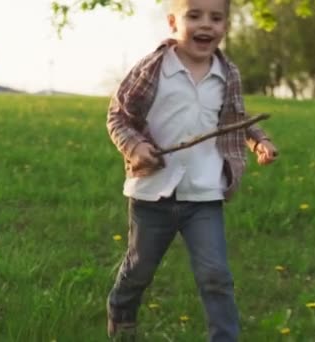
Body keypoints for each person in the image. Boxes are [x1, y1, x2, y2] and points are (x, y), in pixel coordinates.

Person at [105, 0, 278, 340]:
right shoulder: (153, 68)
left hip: (204, 193)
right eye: (194, 15)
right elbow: (119, 117)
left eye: (216, 18)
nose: (206, 25)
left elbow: (235, 120)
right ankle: (121, 309)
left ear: (225, 26)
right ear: (173, 22)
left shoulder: (227, 74)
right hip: (153, 193)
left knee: (216, 275)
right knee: (140, 269)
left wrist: (259, 142)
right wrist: (136, 148)